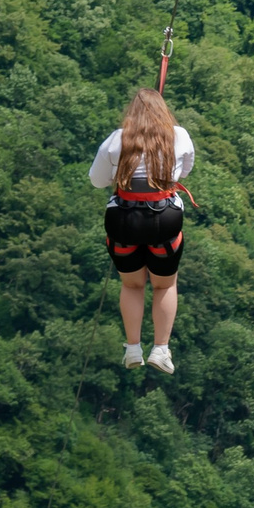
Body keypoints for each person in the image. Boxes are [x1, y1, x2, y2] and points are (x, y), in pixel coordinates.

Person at [89, 88, 194, 373]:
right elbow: (184, 173)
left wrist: (120, 173)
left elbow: (97, 181)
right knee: (164, 284)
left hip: (123, 221)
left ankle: (133, 348)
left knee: (132, 284)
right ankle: (161, 349)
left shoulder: (116, 140)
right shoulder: (179, 136)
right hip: (165, 220)